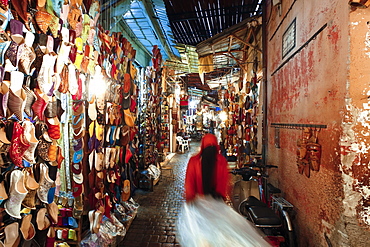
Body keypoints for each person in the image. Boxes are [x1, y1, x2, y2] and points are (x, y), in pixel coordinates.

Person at [177, 133, 272, 247]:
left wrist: (190, 197)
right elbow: (224, 183)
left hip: (199, 203)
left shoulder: (194, 161)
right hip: (216, 203)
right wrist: (220, 198)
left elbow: (189, 182)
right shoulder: (221, 161)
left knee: (201, 236)